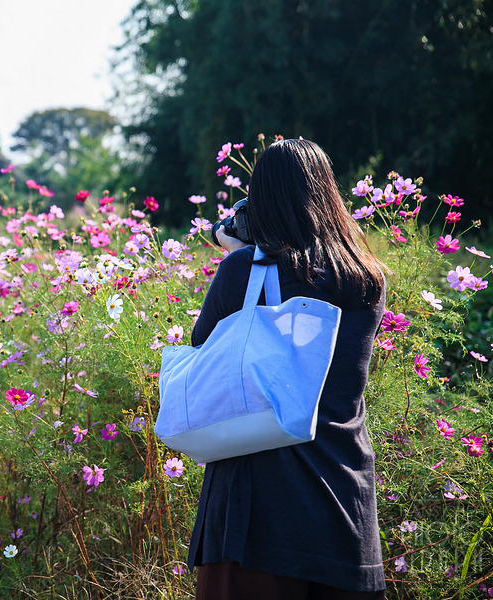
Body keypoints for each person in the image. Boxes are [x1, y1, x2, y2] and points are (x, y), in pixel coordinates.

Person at [188, 139, 387, 599]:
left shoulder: (243, 269)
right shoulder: (367, 277)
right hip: (343, 493)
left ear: (260, 199)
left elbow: (205, 352)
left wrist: (239, 255)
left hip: (256, 505)